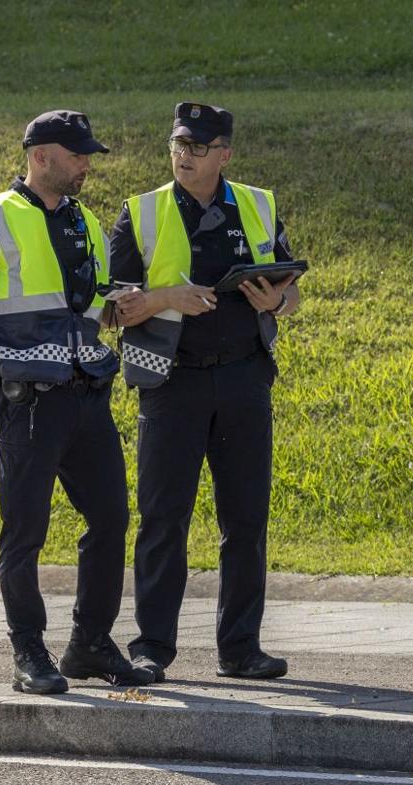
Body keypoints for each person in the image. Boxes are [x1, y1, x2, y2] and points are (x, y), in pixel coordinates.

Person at [0, 110, 152, 693]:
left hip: (86, 395)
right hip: (27, 402)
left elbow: (96, 309)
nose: (86, 166)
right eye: (78, 156)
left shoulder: (87, 223)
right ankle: (28, 652)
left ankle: (90, 644)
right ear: (42, 155)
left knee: (111, 518)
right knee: (24, 530)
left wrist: (130, 303)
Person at [109, 102, 298, 682]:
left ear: (224, 154)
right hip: (171, 383)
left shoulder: (258, 206)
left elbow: (290, 290)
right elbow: (111, 309)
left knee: (246, 518)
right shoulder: (139, 213)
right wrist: (170, 298)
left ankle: (240, 649)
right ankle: (152, 648)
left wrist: (280, 301)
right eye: (177, 145)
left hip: (244, 378)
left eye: (196, 147)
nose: (183, 156)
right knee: (164, 517)